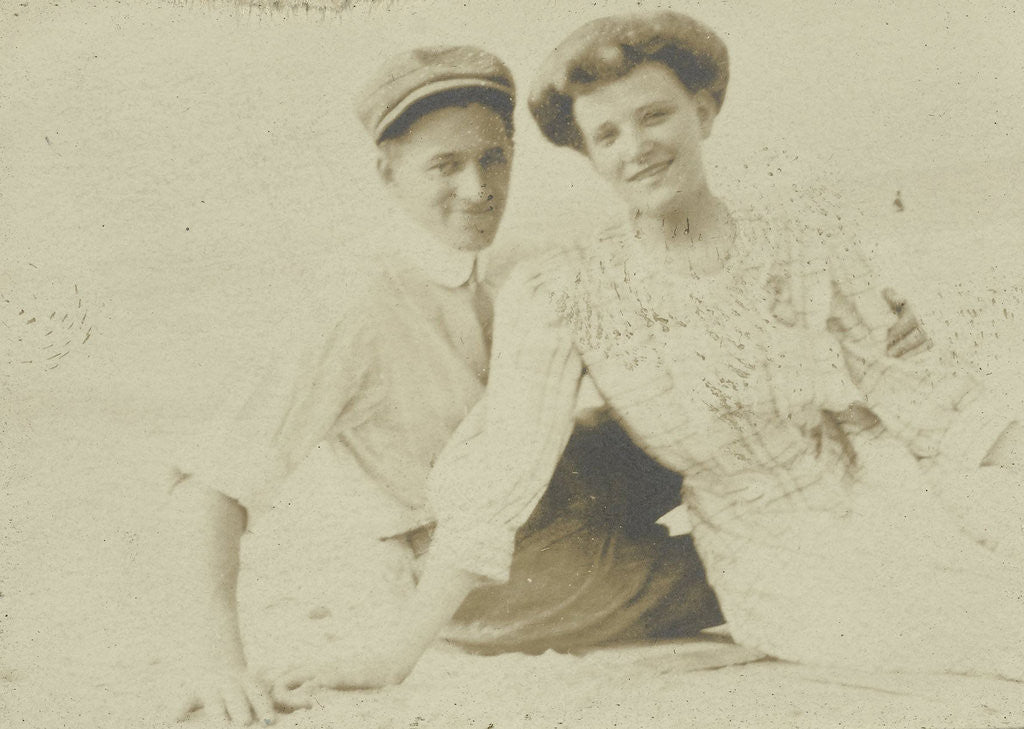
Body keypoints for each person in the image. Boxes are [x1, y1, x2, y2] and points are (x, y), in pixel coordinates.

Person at [169, 45, 728, 726]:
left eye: (493, 157)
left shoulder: (518, 256)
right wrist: (216, 661)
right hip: (467, 574)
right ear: (387, 173)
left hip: (560, 483)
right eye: (444, 166)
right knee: (741, 566)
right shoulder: (353, 303)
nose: (476, 188)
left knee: (732, 407)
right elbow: (211, 486)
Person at [511, 11, 1024, 681]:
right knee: (983, 631)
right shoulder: (572, 286)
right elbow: (502, 465)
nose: (635, 146)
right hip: (764, 548)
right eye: (607, 133)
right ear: (589, 154)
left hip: (873, 474)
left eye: (655, 115)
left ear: (703, 111)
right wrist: (396, 651)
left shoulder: (798, 236)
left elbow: (917, 395)